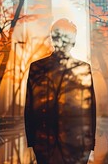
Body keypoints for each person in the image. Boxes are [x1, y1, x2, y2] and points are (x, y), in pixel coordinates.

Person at [24, 18, 96, 164]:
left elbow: (90, 109)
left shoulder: (83, 68)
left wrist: (89, 143)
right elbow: (30, 107)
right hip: (47, 144)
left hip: (74, 144)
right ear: (53, 38)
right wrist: (32, 141)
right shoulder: (37, 67)